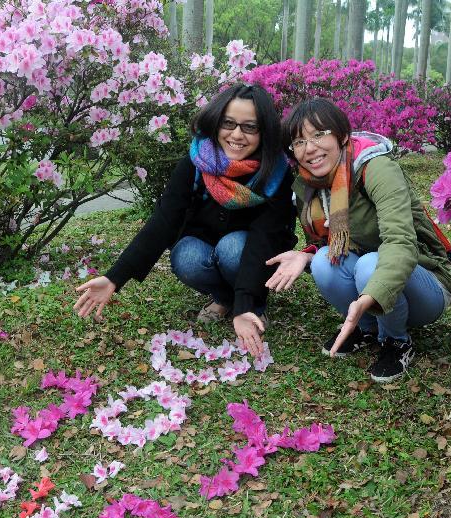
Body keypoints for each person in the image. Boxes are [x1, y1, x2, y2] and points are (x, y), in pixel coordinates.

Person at [74, 83, 296, 355]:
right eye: (228, 123)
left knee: (233, 249)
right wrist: (114, 278)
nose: (237, 135)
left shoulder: (275, 172)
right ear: (215, 123)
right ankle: (224, 298)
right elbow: (164, 220)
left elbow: (264, 239)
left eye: (250, 127)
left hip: (252, 253)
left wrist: (246, 305)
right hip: (204, 244)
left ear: (264, 131)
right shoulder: (197, 161)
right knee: (186, 257)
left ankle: (252, 306)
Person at [265, 98, 451, 382]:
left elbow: (400, 242)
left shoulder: (376, 168)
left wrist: (369, 295)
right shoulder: (308, 187)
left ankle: (396, 340)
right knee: (322, 262)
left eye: (319, 135)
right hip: (370, 277)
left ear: (342, 135)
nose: (310, 149)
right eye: (298, 142)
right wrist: (305, 255)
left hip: (426, 281)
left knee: (370, 264)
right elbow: (327, 245)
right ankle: (366, 329)